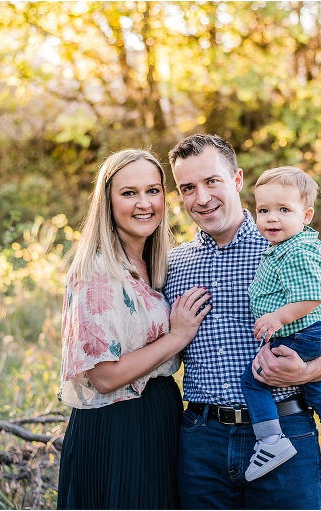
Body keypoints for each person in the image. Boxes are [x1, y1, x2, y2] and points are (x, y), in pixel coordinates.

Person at [165, 134, 321, 509]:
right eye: (187, 187)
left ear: (237, 180)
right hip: (200, 440)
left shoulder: (287, 245)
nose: (201, 197)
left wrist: (307, 371)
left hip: (287, 431)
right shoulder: (175, 265)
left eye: (212, 181)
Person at [56, 149, 211, 510]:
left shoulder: (159, 263)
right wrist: (176, 337)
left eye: (153, 191)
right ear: (107, 201)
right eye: (129, 193)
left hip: (160, 416)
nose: (144, 204)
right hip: (117, 425)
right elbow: (104, 378)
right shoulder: (96, 272)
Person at [240, 165, 321, 484]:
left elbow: (311, 295)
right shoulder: (309, 243)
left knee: (255, 380)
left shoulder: (292, 253)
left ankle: (271, 442)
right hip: (319, 330)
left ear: (306, 215)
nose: (271, 218)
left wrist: (277, 317)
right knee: (319, 389)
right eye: (264, 210)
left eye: (284, 210)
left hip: (300, 332)